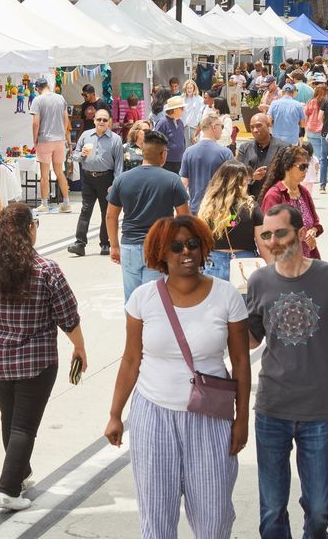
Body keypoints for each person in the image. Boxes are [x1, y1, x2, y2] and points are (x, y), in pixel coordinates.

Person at [104, 215, 251, 539]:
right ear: (161, 253)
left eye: (192, 243)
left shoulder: (226, 296)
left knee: (214, 520)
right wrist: (115, 414)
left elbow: (241, 361)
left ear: (203, 247)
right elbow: (131, 360)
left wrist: (242, 419)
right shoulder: (143, 299)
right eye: (176, 246)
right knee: (157, 520)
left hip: (211, 419)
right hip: (153, 416)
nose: (186, 251)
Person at [248, 204, 328, 539]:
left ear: (301, 233)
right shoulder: (258, 281)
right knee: (272, 512)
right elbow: (250, 341)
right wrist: (230, 314)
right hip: (271, 409)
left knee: (319, 508)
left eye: (280, 233)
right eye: (267, 234)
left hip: (316, 411)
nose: (272, 241)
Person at [0, 204, 86, 511]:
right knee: (24, 426)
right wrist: (79, 347)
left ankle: (20, 473)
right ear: (29, 230)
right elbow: (68, 316)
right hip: (35, 361)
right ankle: (8, 489)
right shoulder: (45, 269)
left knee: (9, 418)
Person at [106, 130, 190, 301]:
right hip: (158, 246)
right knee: (155, 300)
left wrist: (114, 246)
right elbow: (184, 218)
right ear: (162, 154)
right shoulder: (173, 180)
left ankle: (133, 328)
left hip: (129, 246)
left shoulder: (122, 179)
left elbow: (110, 216)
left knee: (132, 300)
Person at [67, 109, 124, 257]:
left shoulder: (115, 139)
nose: (101, 122)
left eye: (105, 120)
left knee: (106, 211)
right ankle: (80, 243)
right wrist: (81, 155)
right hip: (88, 178)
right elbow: (75, 155)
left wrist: (116, 183)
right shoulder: (86, 136)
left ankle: (105, 244)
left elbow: (119, 164)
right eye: (99, 119)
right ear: (94, 120)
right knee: (86, 210)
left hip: (106, 178)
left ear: (109, 121)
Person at [197, 161, 264, 283]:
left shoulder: (208, 207)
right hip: (245, 264)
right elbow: (262, 243)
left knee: (215, 301)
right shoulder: (251, 207)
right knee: (243, 302)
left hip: (214, 262)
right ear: (242, 182)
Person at [260, 145, 322, 260]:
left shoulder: (304, 192)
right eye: (302, 166)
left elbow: (316, 223)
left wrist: (313, 232)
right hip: (284, 261)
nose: (306, 171)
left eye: (307, 166)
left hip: (308, 260)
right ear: (287, 167)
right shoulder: (274, 195)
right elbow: (269, 233)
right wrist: (300, 235)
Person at [30, 78, 73, 216]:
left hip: (45, 139)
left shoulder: (38, 100)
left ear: (37, 88)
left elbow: (36, 123)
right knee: (60, 172)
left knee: (44, 174)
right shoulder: (60, 98)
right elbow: (66, 120)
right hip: (59, 140)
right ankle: (66, 203)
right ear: (48, 85)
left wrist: (35, 140)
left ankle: (44, 204)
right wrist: (66, 138)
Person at [180, 113, 235, 214]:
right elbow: (232, 183)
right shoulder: (225, 153)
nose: (222, 130)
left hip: (196, 209)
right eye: (221, 126)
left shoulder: (188, 152)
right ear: (214, 126)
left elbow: (184, 183)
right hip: (218, 210)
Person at [236, 112, 288, 201]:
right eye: (252, 127)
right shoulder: (245, 149)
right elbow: (237, 175)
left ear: (268, 125)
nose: (255, 130)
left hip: (275, 202)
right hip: (250, 201)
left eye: (258, 126)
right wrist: (252, 177)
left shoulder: (283, 148)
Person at [301, 82, 328, 189]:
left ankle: (315, 174)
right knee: (325, 155)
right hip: (324, 130)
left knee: (315, 155)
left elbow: (305, 115)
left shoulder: (311, 102)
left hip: (311, 129)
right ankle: (324, 175)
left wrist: (305, 127)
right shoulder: (327, 102)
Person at [153, 95, 188, 174]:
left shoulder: (180, 122)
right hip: (166, 162)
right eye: (181, 108)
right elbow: (156, 142)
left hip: (179, 160)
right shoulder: (162, 123)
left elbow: (183, 141)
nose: (184, 110)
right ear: (175, 110)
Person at [181, 78, 206, 144]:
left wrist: (198, 126)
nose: (189, 90)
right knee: (186, 148)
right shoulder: (182, 99)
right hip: (184, 127)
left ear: (194, 88)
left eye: (191, 88)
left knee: (195, 147)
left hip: (195, 127)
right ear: (185, 89)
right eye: (187, 88)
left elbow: (201, 114)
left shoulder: (199, 99)